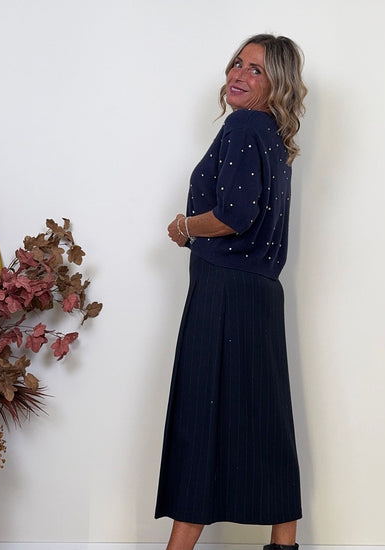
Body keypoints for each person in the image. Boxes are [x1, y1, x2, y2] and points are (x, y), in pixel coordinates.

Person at [155, 34, 308, 550]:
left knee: (200, 418)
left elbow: (234, 216)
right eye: (237, 64)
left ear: (277, 83)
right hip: (261, 295)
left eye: (256, 69)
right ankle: (283, 543)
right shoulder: (274, 137)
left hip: (223, 293)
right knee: (265, 418)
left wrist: (184, 227)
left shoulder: (242, 126)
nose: (238, 75)